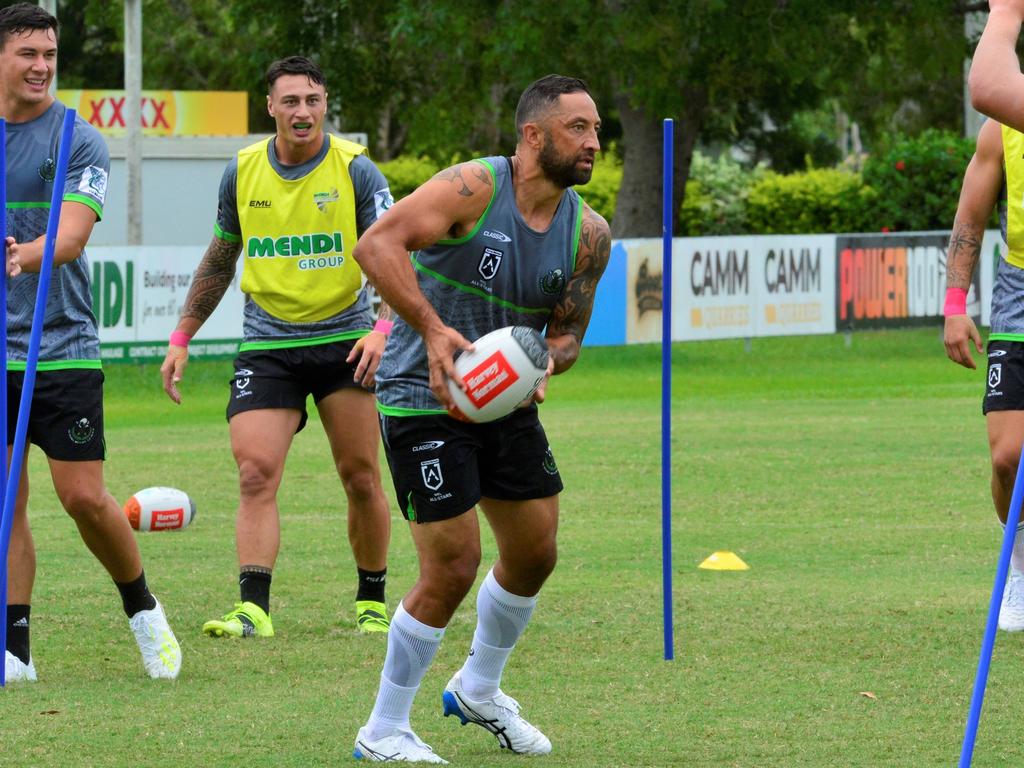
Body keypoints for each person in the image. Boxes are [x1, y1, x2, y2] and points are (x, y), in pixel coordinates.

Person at [350, 74, 609, 763]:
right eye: (577, 128)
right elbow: (376, 246)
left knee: (535, 551)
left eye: (596, 130)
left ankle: (478, 689)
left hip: (501, 403)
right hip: (421, 393)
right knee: (454, 564)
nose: (593, 142)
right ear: (532, 136)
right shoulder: (472, 187)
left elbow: (568, 334)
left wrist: (545, 365)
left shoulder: (588, 233)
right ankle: (384, 729)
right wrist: (433, 330)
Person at [160, 56, 394, 639]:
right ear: (270, 107)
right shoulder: (241, 173)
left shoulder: (357, 171)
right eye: (290, 100)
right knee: (254, 473)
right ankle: (253, 609)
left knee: (361, 475)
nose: (303, 111)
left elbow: (397, 254)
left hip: (346, 340)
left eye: (313, 99)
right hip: (268, 344)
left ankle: (371, 600)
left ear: (324, 105)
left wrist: (383, 329)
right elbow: (219, 259)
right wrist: (181, 336)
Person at [0, 3, 181, 682]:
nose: (42, 66)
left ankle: (143, 608)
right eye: (28, 53)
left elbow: (72, 238)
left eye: (49, 54)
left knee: (82, 498)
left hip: (63, 345)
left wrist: (23, 257)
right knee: (6, 497)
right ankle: (15, 649)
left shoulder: (77, 136)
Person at [943, 117, 1024, 630]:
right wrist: (955, 304)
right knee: (1008, 457)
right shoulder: (1003, 127)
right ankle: (1019, 567)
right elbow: (970, 220)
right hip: (1019, 294)